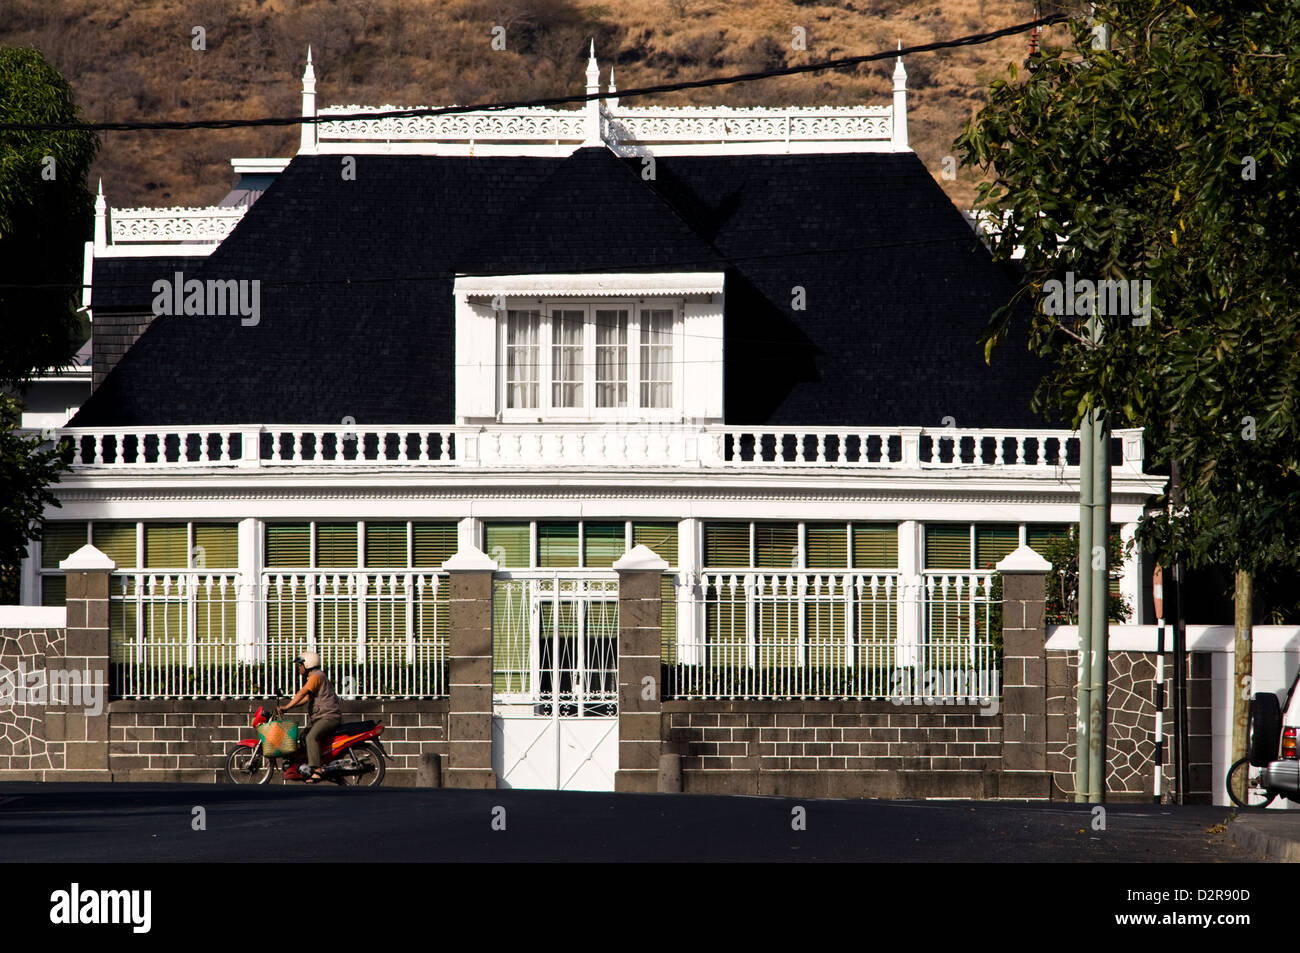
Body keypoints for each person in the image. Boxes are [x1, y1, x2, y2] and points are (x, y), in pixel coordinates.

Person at [276, 650, 341, 783]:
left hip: (329, 717)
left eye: (300, 665)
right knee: (304, 736)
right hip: (322, 717)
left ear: (308, 665)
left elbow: (302, 692)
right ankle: (316, 763)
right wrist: (288, 708)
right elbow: (306, 698)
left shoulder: (316, 676)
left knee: (311, 737)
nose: (299, 668)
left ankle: (317, 770)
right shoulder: (316, 677)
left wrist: (286, 706)